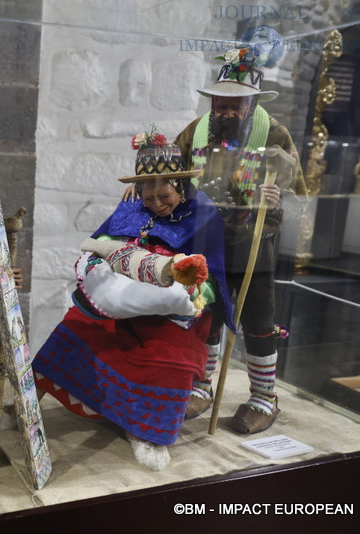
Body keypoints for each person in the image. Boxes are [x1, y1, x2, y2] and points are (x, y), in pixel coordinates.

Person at [125, 47, 307, 434]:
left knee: (258, 319)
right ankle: (202, 386)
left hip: (254, 243)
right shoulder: (195, 131)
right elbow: (169, 176)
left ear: (252, 103)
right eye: (220, 104)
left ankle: (264, 396)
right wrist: (141, 188)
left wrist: (278, 203)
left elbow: (300, 206)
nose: (225, 113)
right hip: (205, 238)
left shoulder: (276, 135)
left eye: (234, 106)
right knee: (204, 314)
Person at [34, 132, 232, 470]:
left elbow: (212, 276)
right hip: (122, 300)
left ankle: (146, 430)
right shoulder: (132, 206)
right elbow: (100, 244)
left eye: (164, 195)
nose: (155, 204)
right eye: (148, 195)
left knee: (169, 359)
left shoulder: (203, 214)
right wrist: (99, 272)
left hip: (174, 312)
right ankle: (23, 409)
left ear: (180, 186)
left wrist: (185, 294)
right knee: (74, 327)